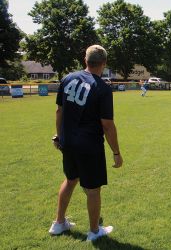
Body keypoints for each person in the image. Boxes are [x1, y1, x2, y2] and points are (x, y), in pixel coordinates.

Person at [49, 45, 124, 241]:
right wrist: (116, 152)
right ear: (104, 63)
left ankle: (59, 224)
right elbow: (107, 125)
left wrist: (60, 136)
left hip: (69, 143)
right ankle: (94, 231)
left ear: (85, 60)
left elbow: (60, 112)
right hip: (89, 146)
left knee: (70, 180)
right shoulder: (103, 88)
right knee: (93, 189)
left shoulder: (67, 78)